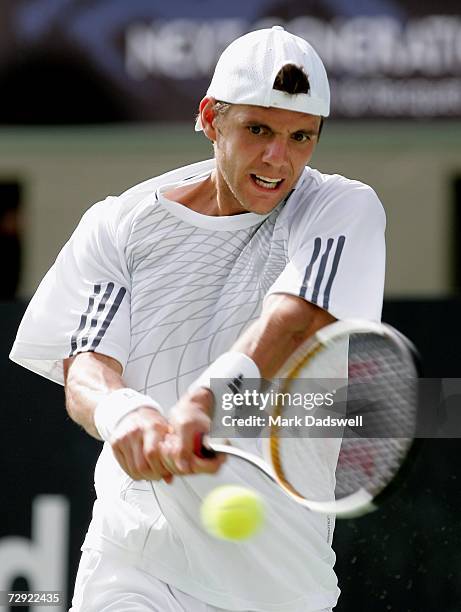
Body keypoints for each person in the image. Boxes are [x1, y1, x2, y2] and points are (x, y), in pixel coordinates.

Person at [10, 26, 385, 612]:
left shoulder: (344, 207)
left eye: (300, 137)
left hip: (276, 581)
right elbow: (87, 364)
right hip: (133, 562)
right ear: (211, 118)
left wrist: (207, 399)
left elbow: (296, 319)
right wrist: (122, 413)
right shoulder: (120, 224)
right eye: (257, 129)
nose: (277, 158)